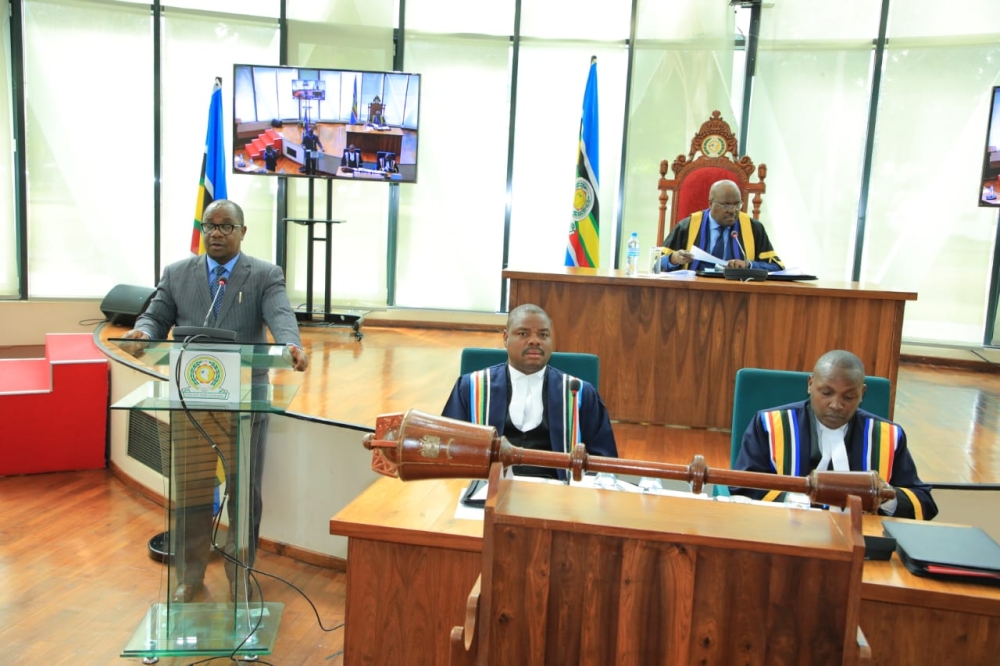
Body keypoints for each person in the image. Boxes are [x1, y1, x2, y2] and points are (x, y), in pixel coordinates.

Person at [119, 199, 309, 602]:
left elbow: (281, 316)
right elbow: (156, 316)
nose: (216, 233)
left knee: (244, 492)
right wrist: (143, 333)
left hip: (244, 402)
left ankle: (240, 574)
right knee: (191, 490)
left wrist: (290, 344)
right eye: (209, 226)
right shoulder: (176, 273)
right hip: (191, 400)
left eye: (226, 226)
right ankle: (189, 577)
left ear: (242, 231)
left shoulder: (263, 274)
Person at [731, 350, 937, 520]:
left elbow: (923, 502)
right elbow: (743, 487)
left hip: (863, 543)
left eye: (849, 396)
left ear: (862, 393)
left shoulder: (888, 436)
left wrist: (885, 497)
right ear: (810, 384)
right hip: (786, 536)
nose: (836, 405)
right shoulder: (769, 425)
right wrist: (803, 500)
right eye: (827, 393)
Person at [442, 304, 617, 480]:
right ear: (505, 338)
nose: (535, 341)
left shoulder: (579, 393)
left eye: (543, 335)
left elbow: (604, 460)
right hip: (488, 492)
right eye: (523, 333)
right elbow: (447, 450)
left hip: (557, 495)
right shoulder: (471, 387)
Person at [660, 179, 783, 272]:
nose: (733, 210)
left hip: (739, 296)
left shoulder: (753, 228)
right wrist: (674, 259)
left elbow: (777, 267)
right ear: (710, 204)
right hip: (693, 293)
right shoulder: (687, 226)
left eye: (737, 204)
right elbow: (656, 263)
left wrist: (748, 265)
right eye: (726, 205)